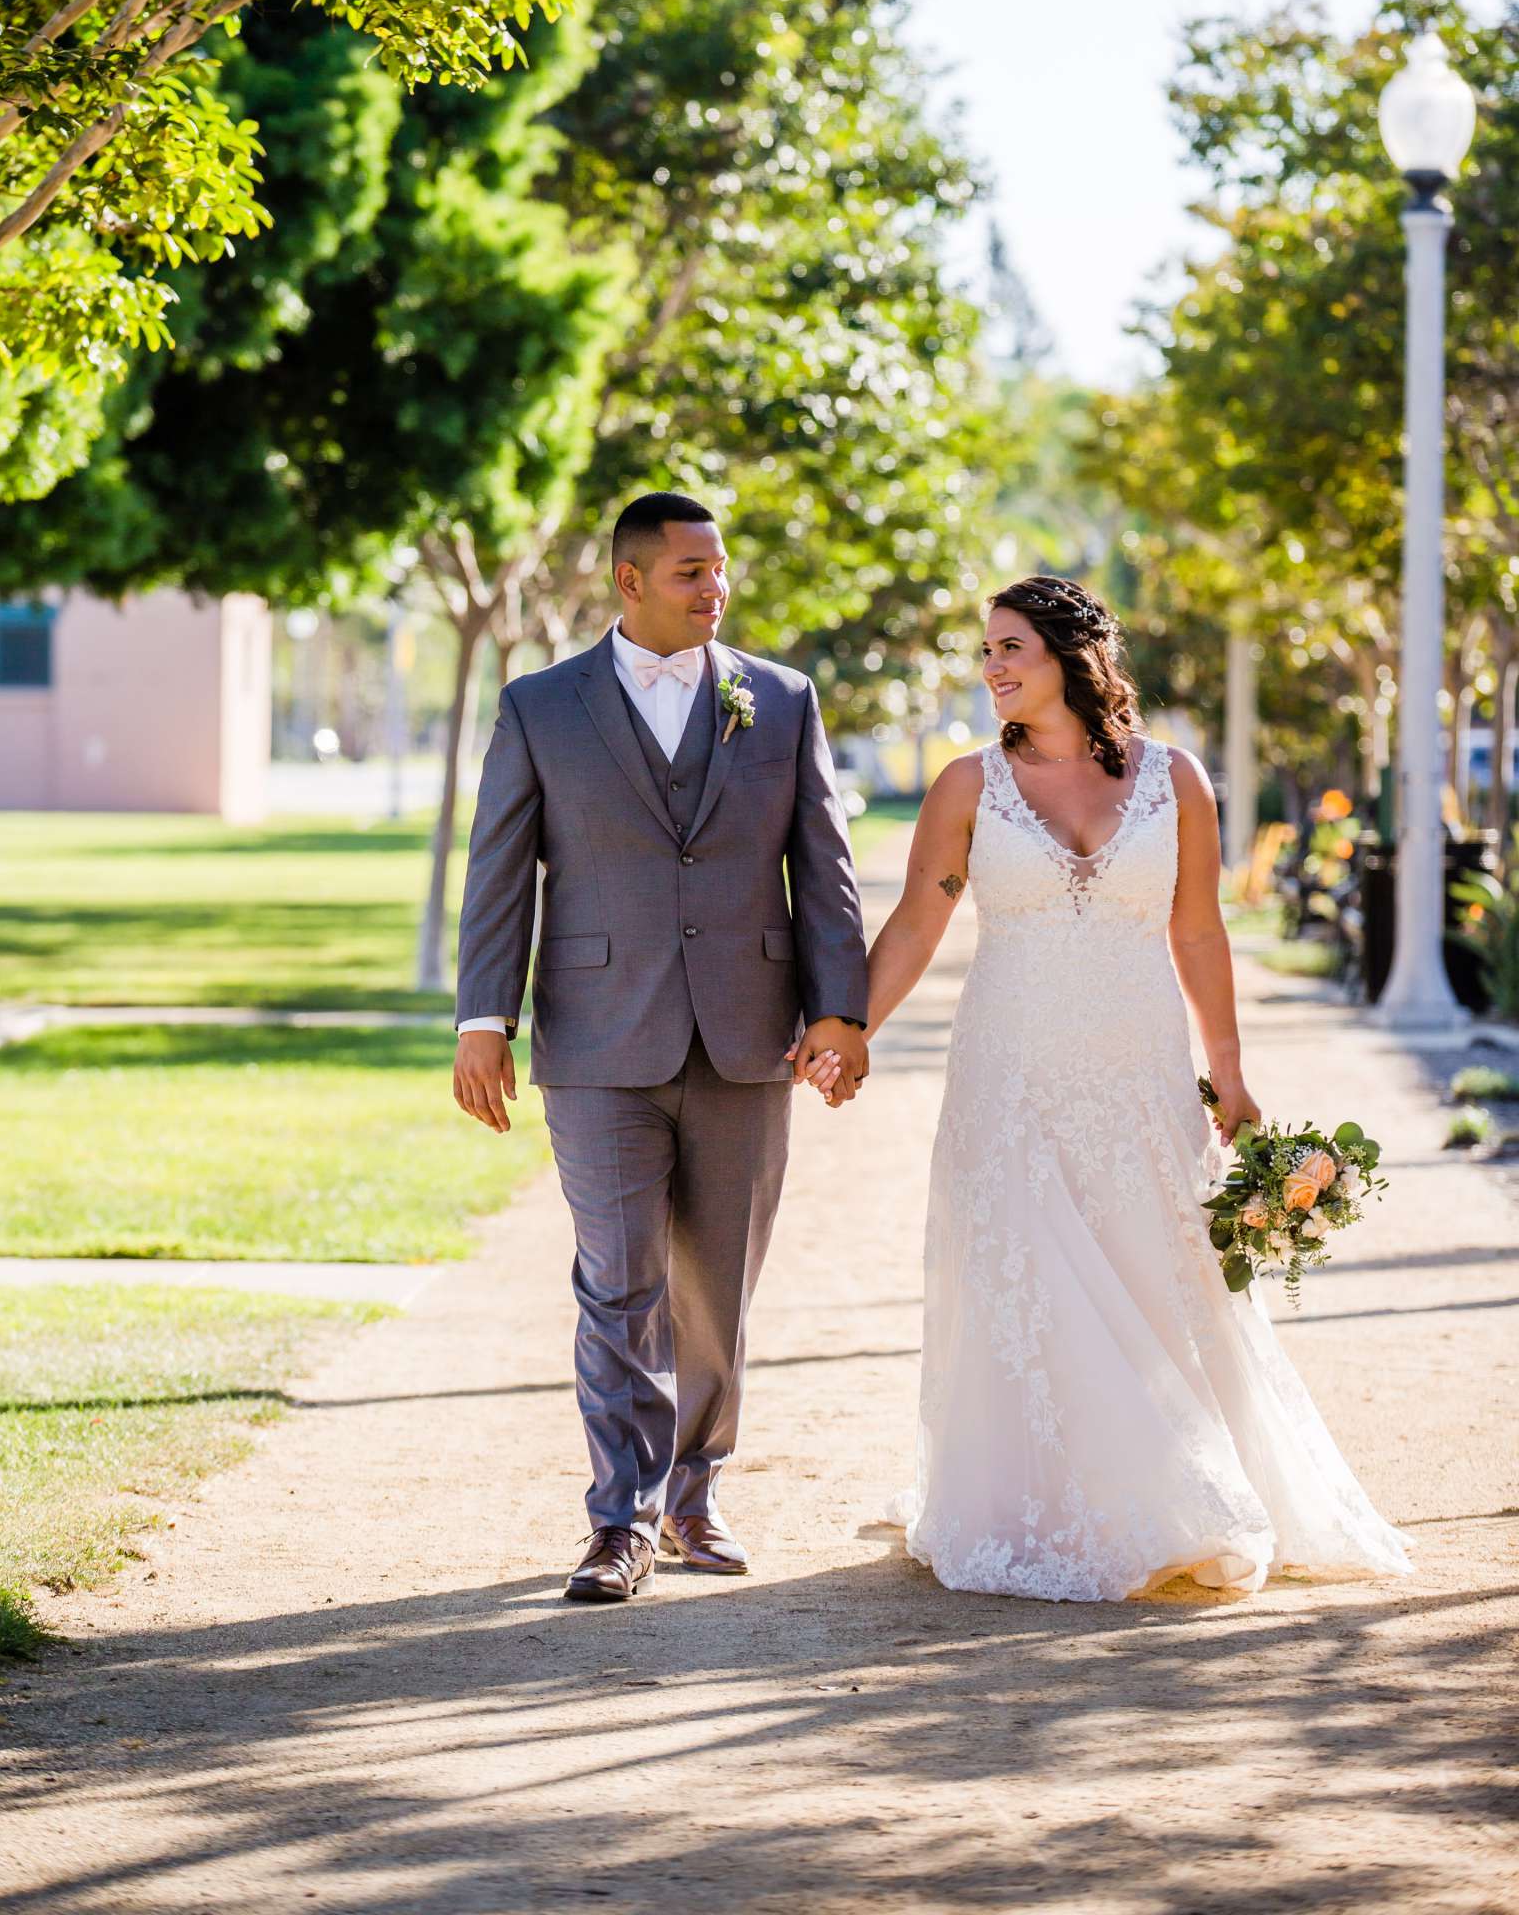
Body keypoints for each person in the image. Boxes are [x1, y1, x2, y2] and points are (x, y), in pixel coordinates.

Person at [814, 573, 1410, 1601]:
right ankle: (1032, 1502)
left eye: (1012, 649)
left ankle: (1182, 1489)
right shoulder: (967, 785)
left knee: (1154, 1273)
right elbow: (917, 922)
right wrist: (851, 1028)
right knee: (1026, 1283)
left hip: (1137, 1071)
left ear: (1069, 657)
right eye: (987, 651)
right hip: (1010, 1072)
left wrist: (1226, 1071)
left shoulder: (1174, 779)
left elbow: (1196, 930)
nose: (993, 667)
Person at [453, 491, 870, 1603]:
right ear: (629, 581)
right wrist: (481, 1019)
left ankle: (695, 1493)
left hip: (748, 1033)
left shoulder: (778, 699)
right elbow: (501, 867)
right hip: (595, 1040)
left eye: (719, 568)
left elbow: (821, 865)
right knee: (618, 1282)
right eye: (691, 570)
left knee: (715, 1288)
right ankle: (620, 1520)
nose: (714, 586)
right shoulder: (541, 706)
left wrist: (841, 1013)